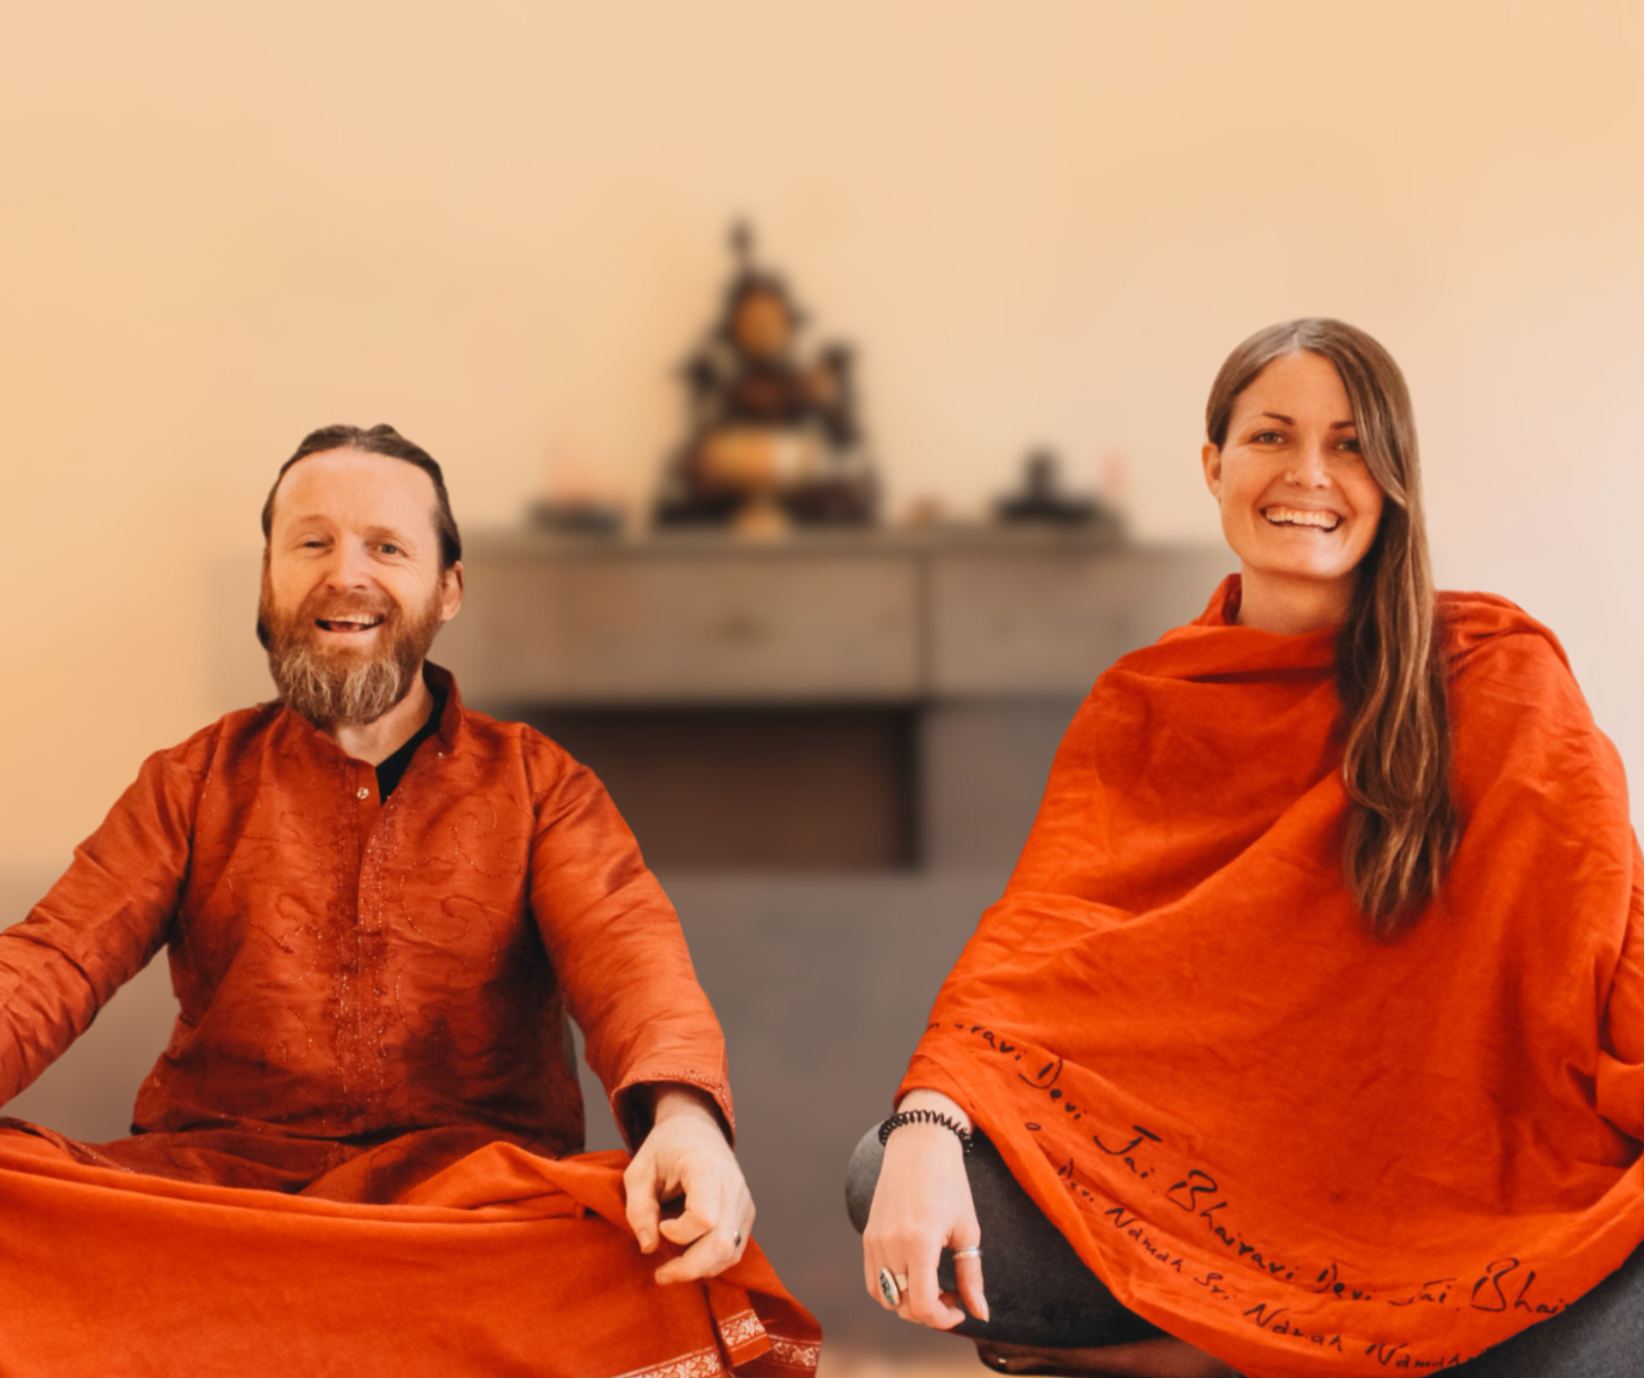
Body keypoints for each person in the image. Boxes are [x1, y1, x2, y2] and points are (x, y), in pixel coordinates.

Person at [850, 320, 1643, 1378]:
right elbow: (1034, 951)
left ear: (1394, 479)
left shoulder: (1500, 673)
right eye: (1271, 435)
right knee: (886, 1174)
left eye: (1350, 444)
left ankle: (1195, 1356)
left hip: (1469, 1205)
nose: (1308, 473)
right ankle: (1281, 1349)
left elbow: (1604, 944)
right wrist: (927, 1119)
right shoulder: (1142, 704)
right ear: (1213, 464)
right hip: (1208, 1195)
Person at [0, 424, 819, 1377]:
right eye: (311, 542)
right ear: (268, 581)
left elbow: (630, 958)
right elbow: (53, 959)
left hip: (463, 1214)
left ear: (448, 588)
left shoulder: (541, 784)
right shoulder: (189, 780)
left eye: (386, 547)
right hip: (221, 1206)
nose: (345, 574)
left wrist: (684, 1121)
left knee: (652, 1240)